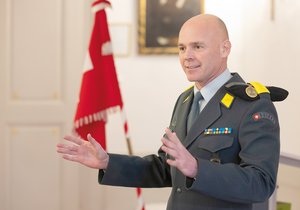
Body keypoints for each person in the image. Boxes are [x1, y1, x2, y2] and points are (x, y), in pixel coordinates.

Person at [57, 14, 283, 210]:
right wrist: (108, 162)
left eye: (198, 46)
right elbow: (165, 168)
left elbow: (261, 183)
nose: (187, 56)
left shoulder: (252, 105)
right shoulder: (186, 100)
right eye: (182, 48)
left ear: (225, 48)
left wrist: (197, 168)